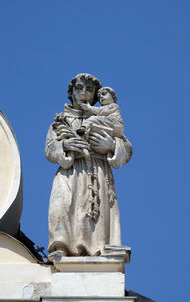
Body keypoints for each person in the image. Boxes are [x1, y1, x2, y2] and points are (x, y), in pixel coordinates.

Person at [45, 73, 132, 256]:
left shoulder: (105, 118)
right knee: (62, 205)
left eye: (89, 89)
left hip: (98, 171)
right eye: (79, 88)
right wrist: (65, 145)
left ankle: (99, 251)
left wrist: (112, 146)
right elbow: (50, 149)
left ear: (94, 95)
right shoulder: (61, 121)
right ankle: (61, 247)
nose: (83, 92)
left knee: (94, 216)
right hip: (70, 172)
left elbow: (127, 149)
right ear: (72, 92)